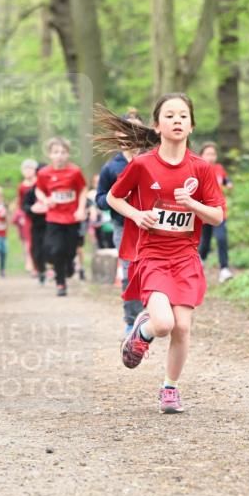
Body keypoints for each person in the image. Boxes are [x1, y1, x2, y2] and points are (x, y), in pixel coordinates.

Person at [100, 93, 226, 414]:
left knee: (182, 326)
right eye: (169, 116)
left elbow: (217, 216)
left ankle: (170, 389)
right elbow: (114, 198)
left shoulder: (201, 169)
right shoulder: (143, 165)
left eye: (183, 116)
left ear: (192, 126)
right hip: (152, 254)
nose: (177, 121)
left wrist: (192, 204)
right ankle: (142, 330)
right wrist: (136, 215)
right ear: (157, 126)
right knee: (164, 324)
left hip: (185, 255)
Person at [96, 111, 145, 335]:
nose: (131, 134)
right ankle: (131, 319)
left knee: (151, 270)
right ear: (119, 134)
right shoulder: (111, 168)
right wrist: (115, 201)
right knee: (129, 271)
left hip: (152, 226)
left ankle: (153, 313)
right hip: (122, 226)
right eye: (127, 129)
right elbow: (100, 198)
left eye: (136, 129)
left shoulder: (151, 161)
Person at [35, 137, 87, 297]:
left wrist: (80, 209)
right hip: (54, 217)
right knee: (56, 249)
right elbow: (39, 190)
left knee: (71, 250)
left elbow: (83, 190)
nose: (60, 155)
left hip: (71, 217)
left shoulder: (75, 171)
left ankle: (69, 264)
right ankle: (60, 282)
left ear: (68, 154)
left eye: (63, 152)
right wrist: (45, 200)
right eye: (56, 152)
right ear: (50, 155)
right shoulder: (44, 173)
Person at [197, 141, 234, 283]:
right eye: (208, 154)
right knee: (205, 242)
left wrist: (228, 183)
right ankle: (199, 264)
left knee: (221, 238)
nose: (211, 157)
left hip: (219, 211)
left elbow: (224, 179)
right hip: (204, 212)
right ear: (201, 155)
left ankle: (224, 269)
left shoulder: (219, 168)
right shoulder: (198, 169)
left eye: (213, 154)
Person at [21, 172, 48, 283]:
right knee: (36, 249)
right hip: (36, 224)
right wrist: (32, 208)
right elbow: (24, 206)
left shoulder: (50, 190)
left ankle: (52, 268)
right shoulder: (32, 191)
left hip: (51, 223)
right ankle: (41, 270)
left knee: (50, 246)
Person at [15, 159, 38, 272]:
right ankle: (30, 262)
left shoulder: (39, 183)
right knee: (28, 241)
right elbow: (20, 203)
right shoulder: (21, 187)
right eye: (26, 169)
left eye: (31, 168)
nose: (28, 171)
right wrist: (21, 216)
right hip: (27, 216)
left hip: (40, 216)